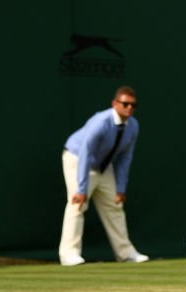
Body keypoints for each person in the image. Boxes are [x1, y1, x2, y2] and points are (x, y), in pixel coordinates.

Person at [58, 86, 148, 266]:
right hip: (77, 159)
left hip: (103, 166)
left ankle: (125, 253)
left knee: (115, 205)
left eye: (133, 105)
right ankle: (69, 254)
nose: (129, 108)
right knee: (77, 204)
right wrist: (82, 189)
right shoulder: (101, 121)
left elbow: (125, 158)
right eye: (125, 104)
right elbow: (85, 151)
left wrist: (121, 188)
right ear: (115, 104)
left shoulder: (133, 126)